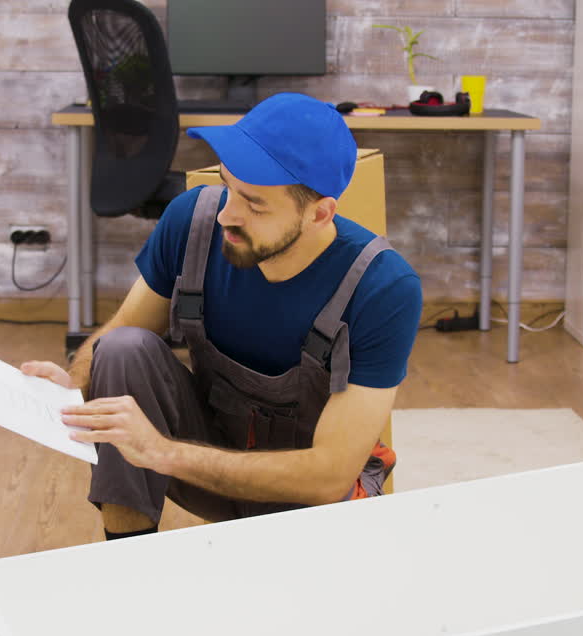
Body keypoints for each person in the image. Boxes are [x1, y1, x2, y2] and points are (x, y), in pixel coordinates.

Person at [21, 92, 422, 540]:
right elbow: (122, 333)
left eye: (254, 205)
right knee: (120, 349)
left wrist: (162, 452)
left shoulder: (382, 287)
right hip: (206, 452)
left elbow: (328, 477)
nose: (227, 215)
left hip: (308, 498)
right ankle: (128, 561)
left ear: (320, 213)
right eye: (228, 185)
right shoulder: (192, 222)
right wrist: (73, 389)